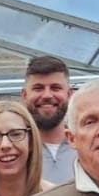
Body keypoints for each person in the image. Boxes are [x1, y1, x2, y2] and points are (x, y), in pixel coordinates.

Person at [21, 55, 77, 184]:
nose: (47, 95)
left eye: (55, 88)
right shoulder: (14, 151)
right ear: (24, 95)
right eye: (38, 88)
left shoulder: (86, 147)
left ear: (69, 94)